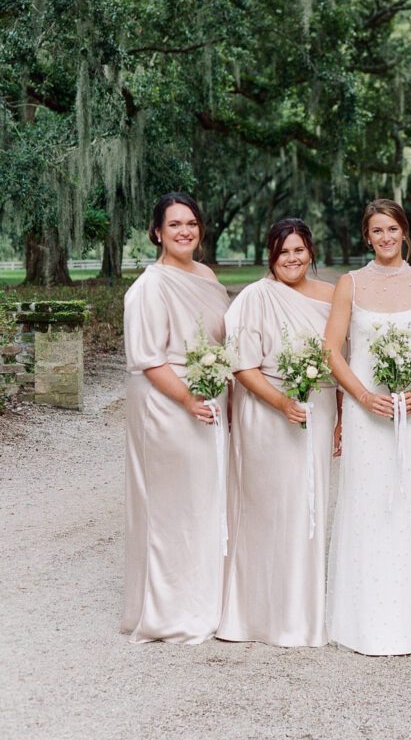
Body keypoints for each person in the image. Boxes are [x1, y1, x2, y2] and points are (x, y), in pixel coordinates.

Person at [324, 199, 411, 655]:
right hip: (365, 409)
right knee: (366, 500)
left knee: (409, 500)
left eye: (392, 229)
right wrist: (361, 396)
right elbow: (333, 351)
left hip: (410, 412)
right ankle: (361, 620)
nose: (385, 238)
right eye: (377, 231)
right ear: (367, 236)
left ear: (404, 232)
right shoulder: (349, 284)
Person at [217, 219, 341, 647]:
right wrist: (282, 402)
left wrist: (338, 414)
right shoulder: (254, 298)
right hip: (267, 412)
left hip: (317, 409)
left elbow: (338, 361)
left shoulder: (331, 296)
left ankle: (302, 613)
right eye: (283, 251)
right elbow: (243, 366)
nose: (292, 259)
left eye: (299, 250)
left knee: (309, 506)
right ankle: (254, 615)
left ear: (311, 252)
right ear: (270, 254)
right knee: (265, 507)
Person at [122, 192, 230, 644]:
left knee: (205, 501)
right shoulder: (149, 286)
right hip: (168, 403)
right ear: (157, 233)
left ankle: (204, 599)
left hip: (208, 396)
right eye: (174, 225)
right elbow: (149, 359)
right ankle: (169, 611)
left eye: (191, 223)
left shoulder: (205, 275)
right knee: (172, 507)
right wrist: (188, 399)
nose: (184, 231)